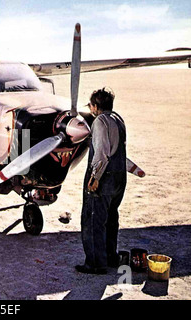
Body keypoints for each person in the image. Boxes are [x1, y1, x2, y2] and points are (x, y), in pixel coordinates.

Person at [75, 87, 127, 275]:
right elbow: (117, 149)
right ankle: (110, 256)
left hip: (104, 178)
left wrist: (95, 177)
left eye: (91, 105)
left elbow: (102, 154)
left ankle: (95, 264)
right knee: (111, 217)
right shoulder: (118, 120)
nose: (90, 108)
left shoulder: (100, 122)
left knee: (93, 219)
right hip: (120, 178)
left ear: (96, 107)